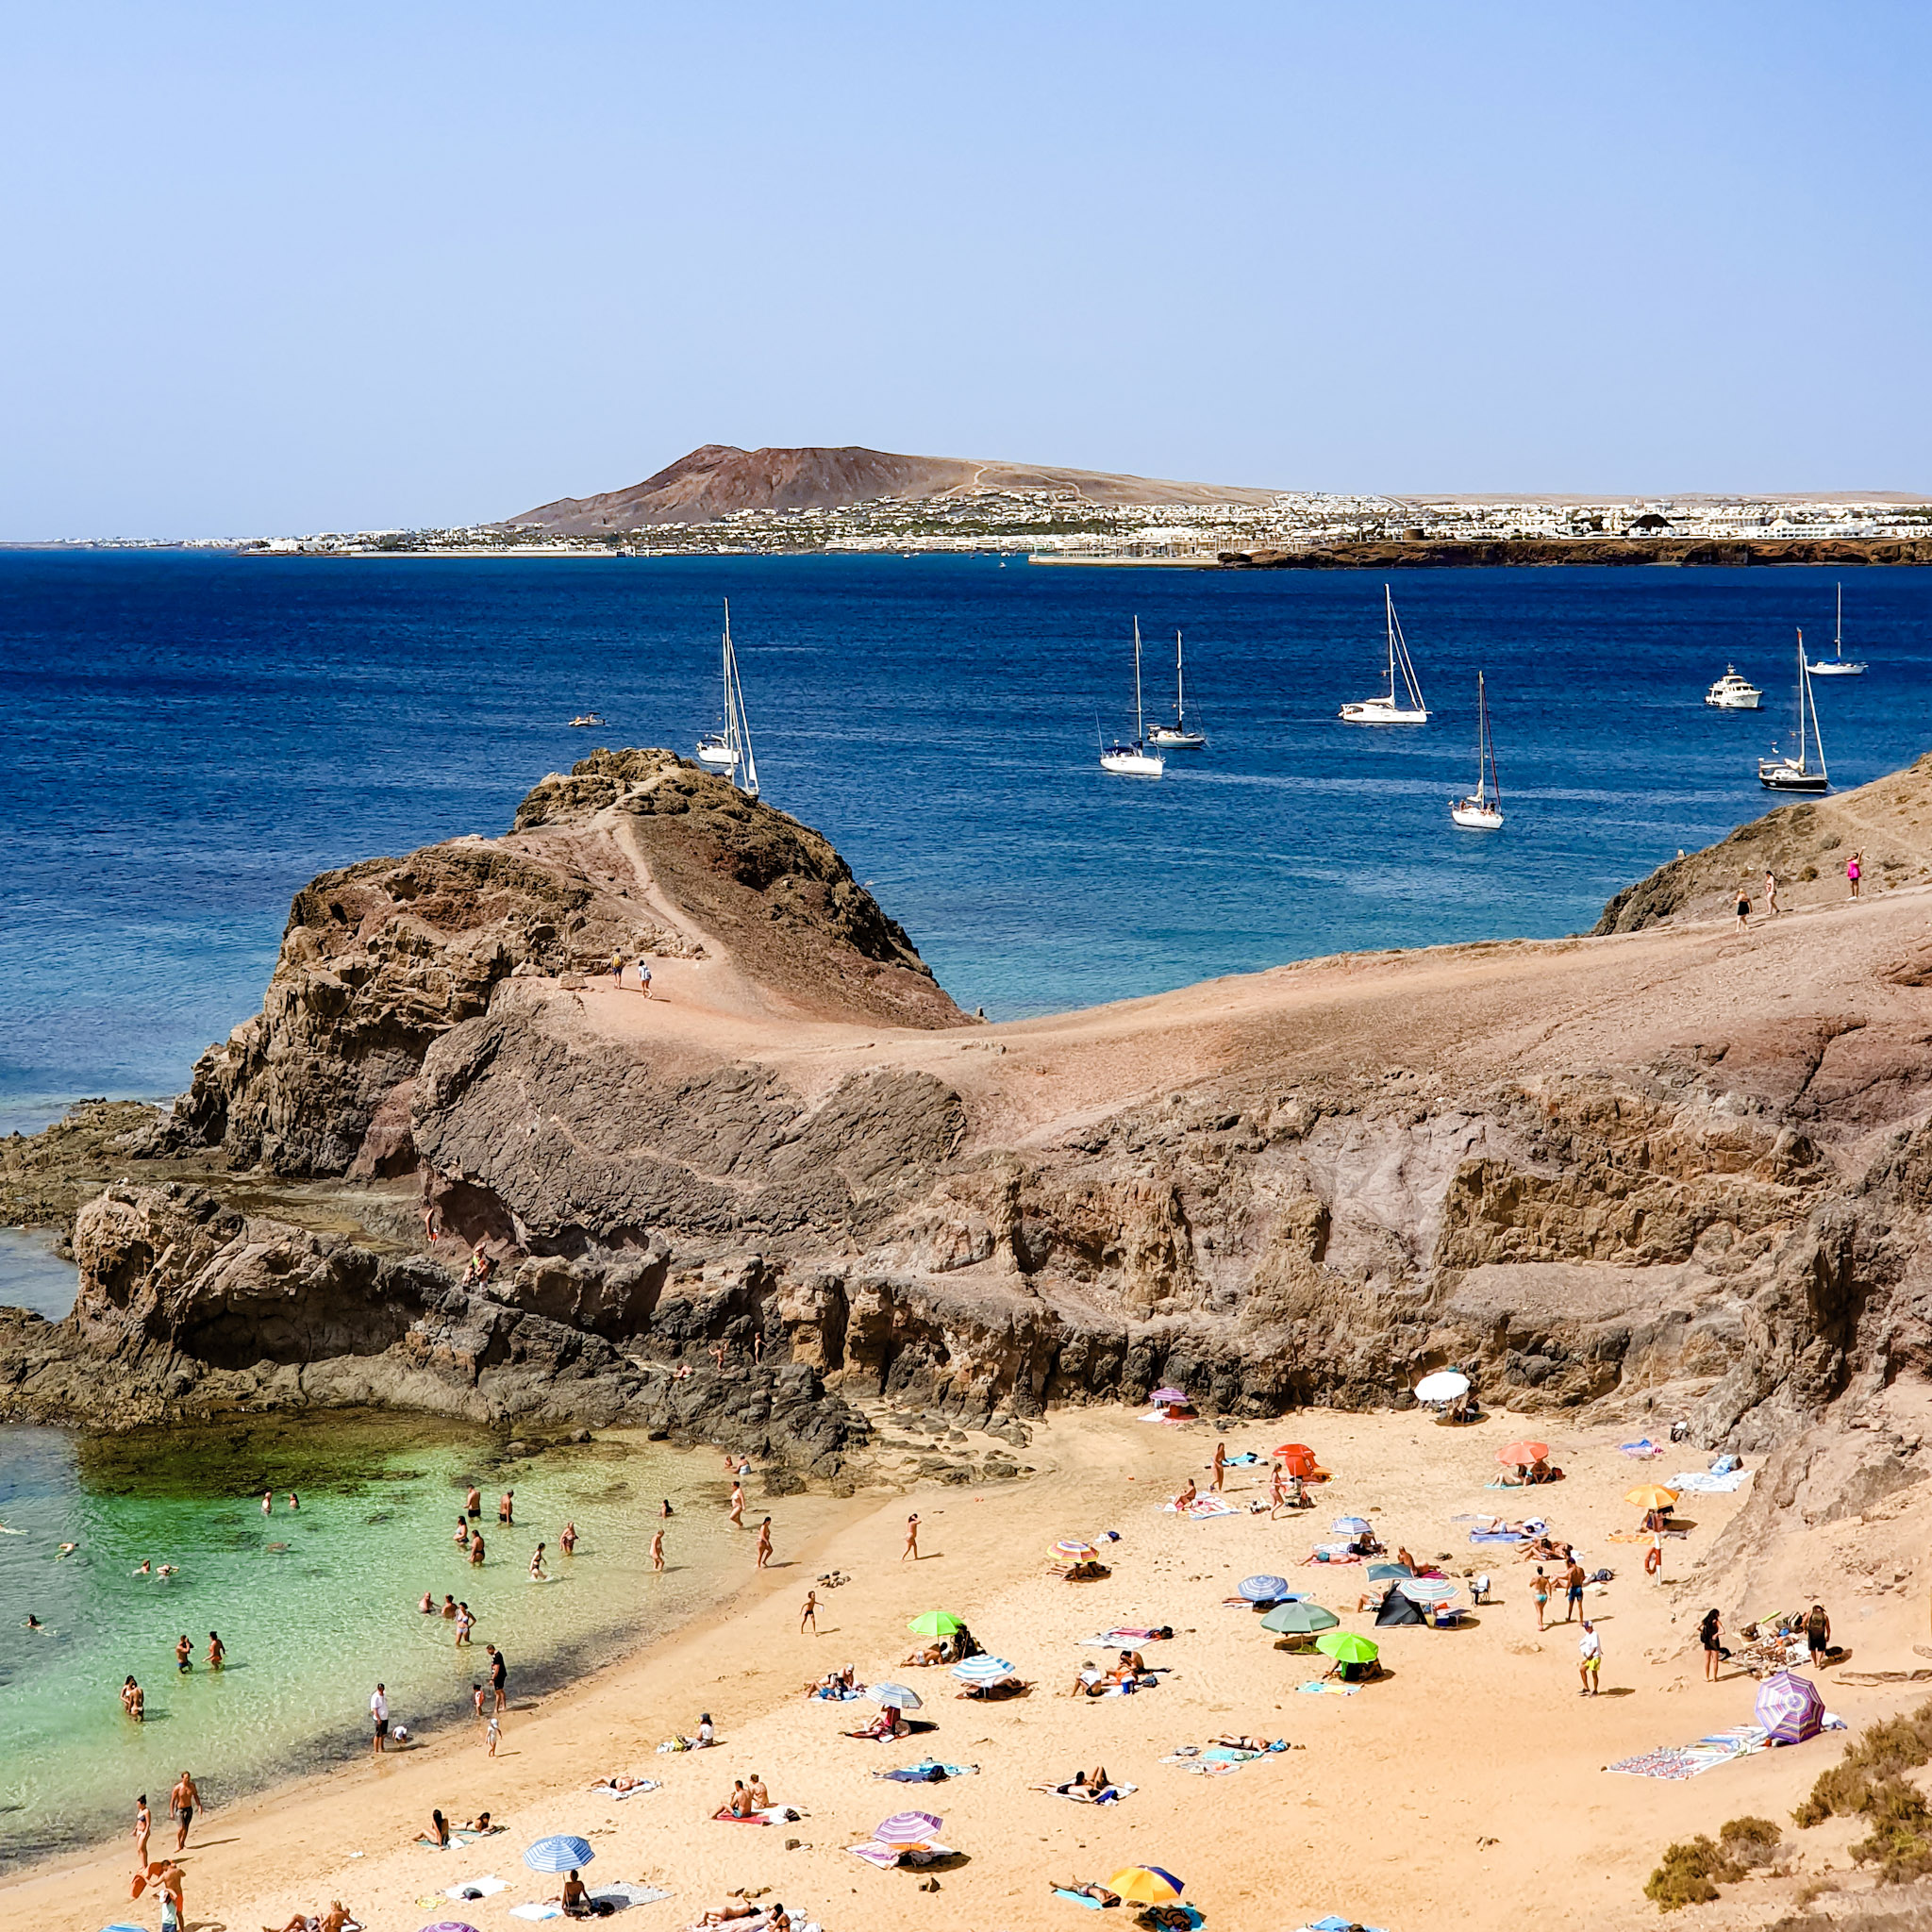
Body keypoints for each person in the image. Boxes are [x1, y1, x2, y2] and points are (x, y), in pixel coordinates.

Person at [170, 1770, 200, 1849]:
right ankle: (178, 1842)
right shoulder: (177, 1788)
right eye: (186, 1778)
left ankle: (182, 1843)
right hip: (180, 1809)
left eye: (188, 1778)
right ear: (182, 1778)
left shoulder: (192, 1786)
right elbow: (172, 1801)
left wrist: (199, 1806)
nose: (187, 1780)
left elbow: (196, 1796)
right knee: (181, 1827)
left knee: (186, 1827)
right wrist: (171, 1812)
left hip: (189, 1808)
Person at [1578, 1619, 1602, 1695]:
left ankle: (1595, 1690)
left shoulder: (1595, 1635)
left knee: (1594, 1674)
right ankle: (1586, 1688)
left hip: (1594, 1657)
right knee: (1582, 1670)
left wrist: (1587, 1659)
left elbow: (1594, 1649)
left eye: (1586, 1627)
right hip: (1589, 1656)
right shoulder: (1587, 1635)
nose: (1585, 1629)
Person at [1700, 1607, 1724, 1681]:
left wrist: (1702, 1632)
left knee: (1707, 1660)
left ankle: (1707, 1677)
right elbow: (1723, 1631)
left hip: (1707, 1642)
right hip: (1714, 1642)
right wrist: (1716, 1634)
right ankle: (1715, 1677)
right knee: (1715, 1661)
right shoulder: (1716, 1622)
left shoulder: (1705, 1621)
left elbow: (1698, 1627)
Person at [1807, 1601, 1832, 1669]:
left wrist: (1805, 1629)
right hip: (1820, 1634)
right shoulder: (1825, 1616)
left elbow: (1803, 1621)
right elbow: (1828, 1628)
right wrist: (1828, 1635)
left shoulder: (1810, 1613)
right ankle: (1819, 1661)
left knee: (1812, 1649)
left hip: (1812, 1634)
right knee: (1821, 1649)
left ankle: (1815, 1663)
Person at [1563, 1557, 1586, 1624]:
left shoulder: (1571, 1571)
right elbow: (1583, 1577)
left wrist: (1566, 1590)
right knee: (1580, 1606)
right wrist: (1580, 1582)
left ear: (1570, 1563)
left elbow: (1569, 1581)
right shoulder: (1581, 1569)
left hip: (1573, 1588)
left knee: (1571, 1604)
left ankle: (1569, 1618)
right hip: (1579, 1587)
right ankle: (1581, 1621)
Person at [370, 1683, 390, 1756]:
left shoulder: (384, 1694)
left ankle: (382, 1748)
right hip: (379, 1718)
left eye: (382, 1689)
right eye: (380, 1689)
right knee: (378, 1734)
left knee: (383, 1734)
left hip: (385, 1717)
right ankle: (376, 1750)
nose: (381, 1691)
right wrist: (378, 1719)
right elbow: (374, 1710)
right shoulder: (375, 1697)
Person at [488, 1642, 508, 1710]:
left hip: (499, 1676)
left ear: (491, 1649)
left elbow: (497, 1668)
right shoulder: (498, 1654)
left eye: (488, 1651)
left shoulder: (497, 1656)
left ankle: (496, 1709)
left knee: (498, 1692)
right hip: (502, 1674)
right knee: (501, 1691)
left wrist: (492, 1679)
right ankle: (504, 1706)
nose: (488, 1653)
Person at [1530, 1566, 1551, 1631]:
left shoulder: (1535, 1578)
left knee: (1538, 1611)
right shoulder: (1545, 1579)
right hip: (1544, 1595)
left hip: (1537, 1595)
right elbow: (1549, 1587)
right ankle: (1539, 1622)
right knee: (1541, 1610)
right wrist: (1550, 1596)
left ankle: (1540, 1625)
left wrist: (1534, 1582)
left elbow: (1530, 1584)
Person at [134, 1793, 151, 1867]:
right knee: (139, 1849)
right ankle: (143, 1864)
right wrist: (135, 1829)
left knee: (142, 1848)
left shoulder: (146, 1811)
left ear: (143, 1804)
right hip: (139, 1831)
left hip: (144, 1831)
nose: (138, 1806)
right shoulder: (140, 1811)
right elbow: (138, 1822)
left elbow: (148, 1823)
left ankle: (145, 1865)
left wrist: (146, 1832)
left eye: (139, 1804)